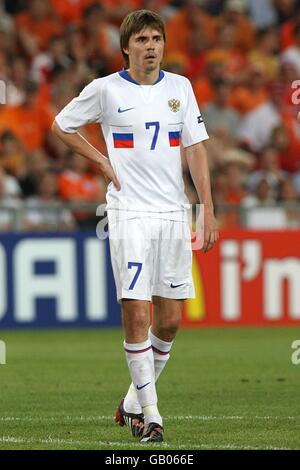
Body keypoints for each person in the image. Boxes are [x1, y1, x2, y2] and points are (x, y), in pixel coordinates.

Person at [52, 9, 218, 443]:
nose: (151, 46)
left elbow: (197, 149)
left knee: (169, 322)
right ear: (126, 46)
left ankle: (130, 402)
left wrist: (208, 207)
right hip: (128, 213)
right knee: (137, 312)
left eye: (157, 39)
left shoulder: (180, 88)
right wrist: (102, 159)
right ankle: (151, 415)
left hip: (173, 213)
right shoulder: (105, 90)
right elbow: (62, 125)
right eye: (142, 39)